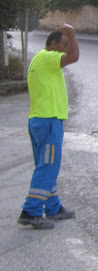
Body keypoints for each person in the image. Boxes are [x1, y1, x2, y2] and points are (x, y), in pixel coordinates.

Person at [17, 24, 79, 230]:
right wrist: (70, 31)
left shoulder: (39, 60)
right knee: (48, 167)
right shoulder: (48, 56)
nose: (66, 48)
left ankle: (53, 207)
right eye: (64, 44)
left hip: (38, 120)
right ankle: (31, 210)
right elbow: (74, 57)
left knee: (45, 166)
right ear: (53, 44)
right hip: (48, 121)